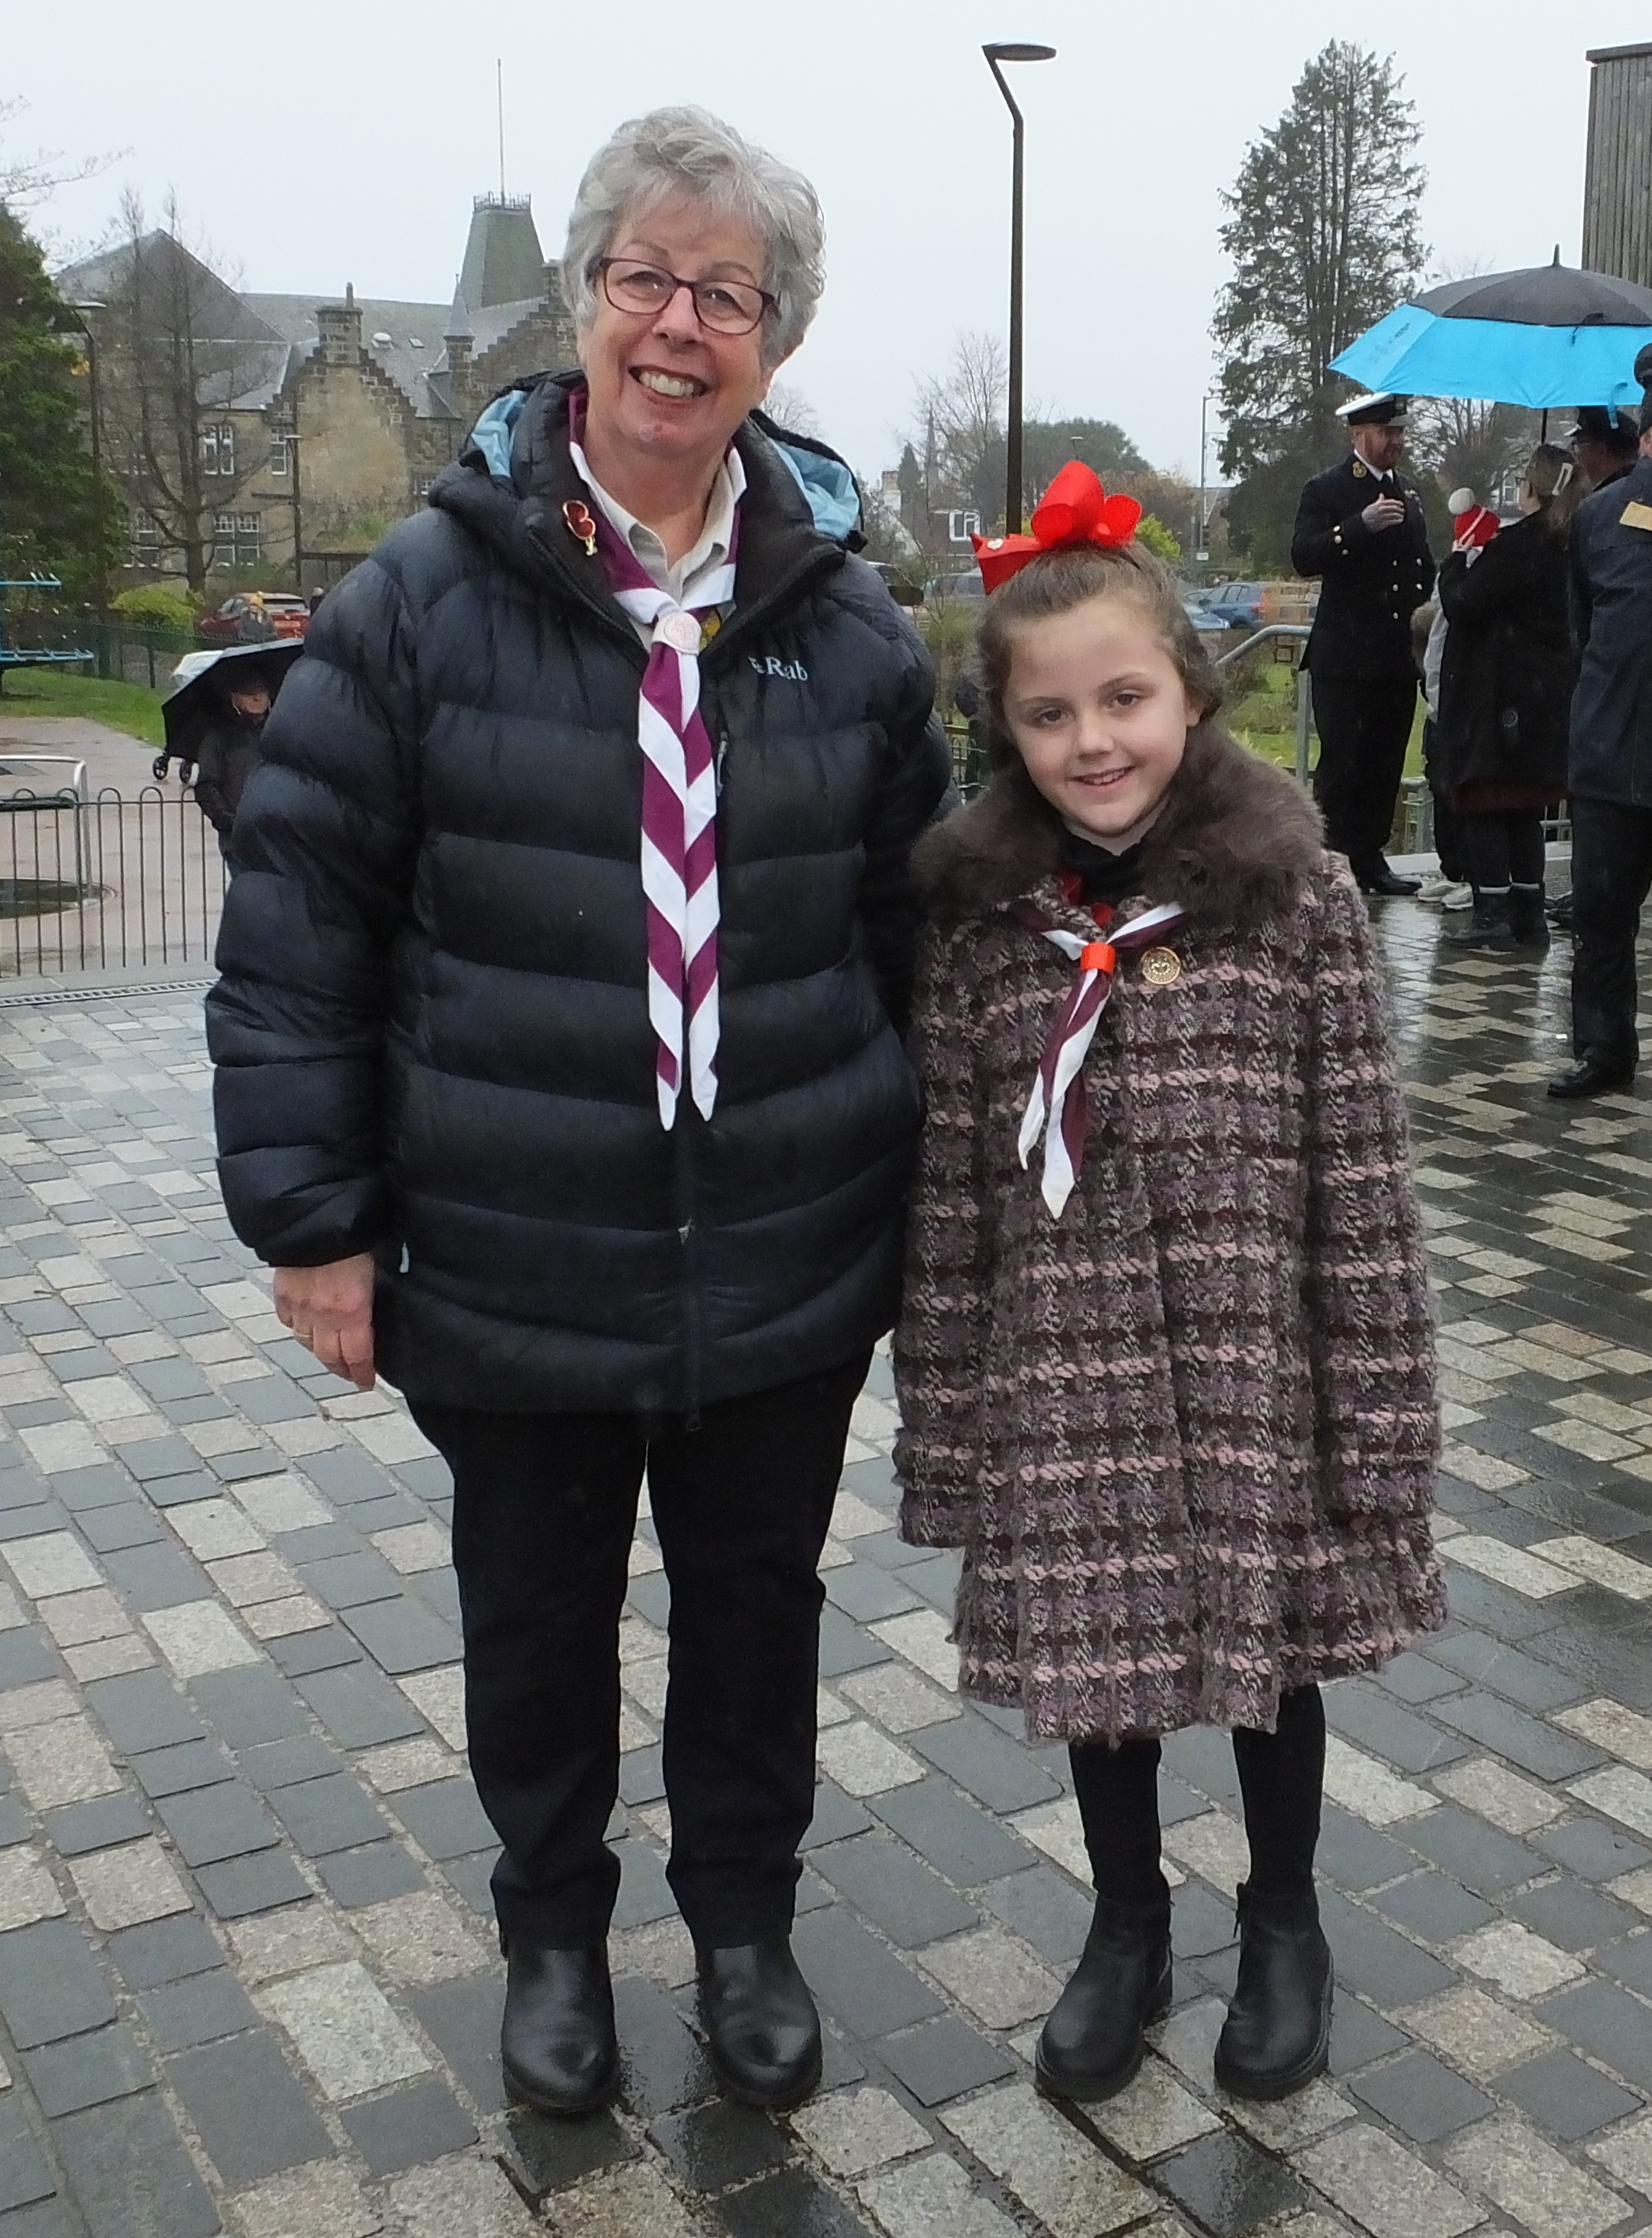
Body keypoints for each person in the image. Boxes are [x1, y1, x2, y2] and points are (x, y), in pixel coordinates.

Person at [206, 106, 950, 2115]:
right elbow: (299, 923)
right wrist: (314, 1217)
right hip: (519, 1245)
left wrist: (943, 1204)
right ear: (586, 303)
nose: (680, 323)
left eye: (727, 292)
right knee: (533, 1617)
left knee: (752, 1623)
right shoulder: (424, 597)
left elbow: (914, 937)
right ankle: (550, 1928)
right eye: (647, 277)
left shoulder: (852, 625)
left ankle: (741, 1926)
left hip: (786, 1255)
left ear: (773, 341)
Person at [893, 463, 1443, 2108]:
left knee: (1265, 1663)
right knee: (1100, 1672)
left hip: (1249, 1366)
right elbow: (944, 1203)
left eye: (1122, 698)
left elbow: (1357, 1176)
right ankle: (1122, 1923)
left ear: (1189, 693)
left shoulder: (1298, 900)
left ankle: (1282, 1921)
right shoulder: (982, 929)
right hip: (1061, 1376)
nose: (1092, 742)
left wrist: (1376, 1414)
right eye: (1049, 714)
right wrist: (948, 1424)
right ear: (1007, 731)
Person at [1550, 348, 1652, 1097]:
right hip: (1611, 750)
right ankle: (1603, 1050)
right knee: (1600, 913)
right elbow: (1580, 630)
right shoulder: (1600, 516)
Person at [1433, 446, 1578, 950]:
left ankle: (1491, 912)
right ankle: (1528, 915)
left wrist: (1453, 564)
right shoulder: (1570, 542)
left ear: (1531, 488)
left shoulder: (1516, 546)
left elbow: (1464, 603)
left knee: (1486, 802)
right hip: (1544, 697)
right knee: (1523, 810)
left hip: (1498, 698)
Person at [1291, 394, 1436, 895]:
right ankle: (1328, 863)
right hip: (1347, 654)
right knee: (1343, 762)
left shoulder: (1409, 492)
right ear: (1358, 434)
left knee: (1384, 760)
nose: (1395, 441)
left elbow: (1420, 565)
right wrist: (1357, 527)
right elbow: (1303, 555)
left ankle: (1369, 856)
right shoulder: (1328, 488)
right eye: (1385, 432)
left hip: (1394, 655)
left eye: (1399, 432)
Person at [192, 664, 277, 854]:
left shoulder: (280, 733)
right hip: (238, 841)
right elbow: (207, 786)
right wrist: (228, 821)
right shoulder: (219, 737)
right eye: (249, 693)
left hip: (279, 838)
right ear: (234, 697)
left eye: (262, 692)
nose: (257, 698)